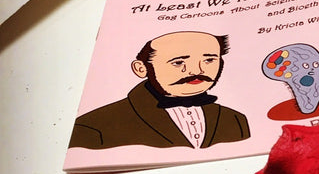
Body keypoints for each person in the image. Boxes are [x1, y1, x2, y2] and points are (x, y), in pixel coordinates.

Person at [68, 31, 250, 150]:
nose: (196, 71)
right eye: (178, 62)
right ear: (141, 68)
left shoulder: (235, 119)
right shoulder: (94, 127)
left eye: (209, 60)